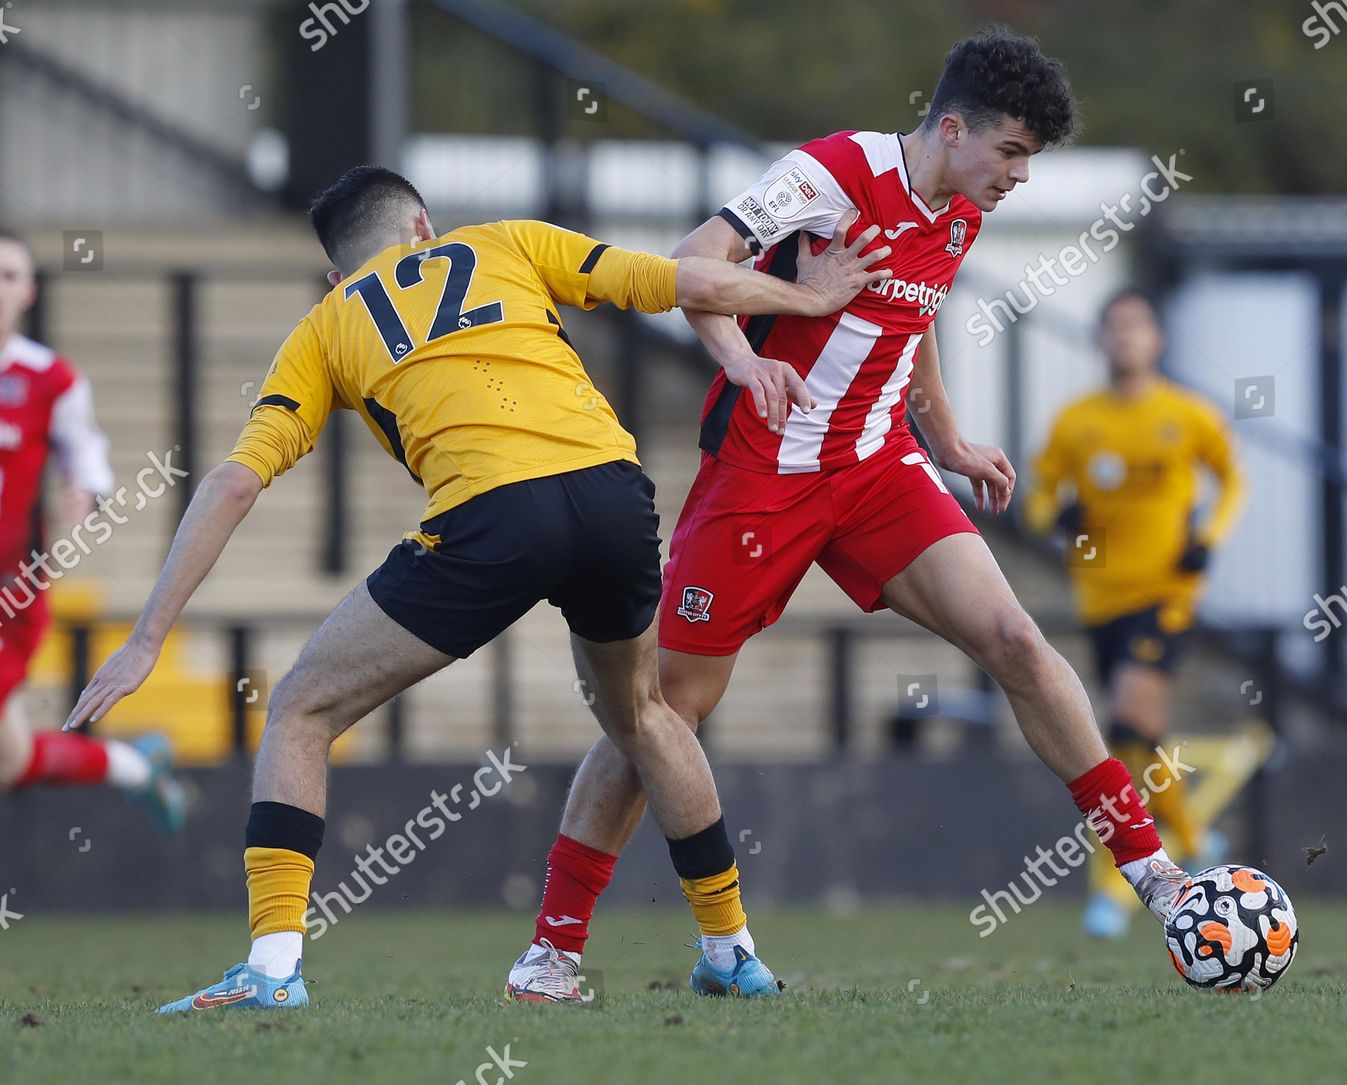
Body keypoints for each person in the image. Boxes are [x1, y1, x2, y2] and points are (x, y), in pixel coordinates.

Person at [64, 166, 890, 1011]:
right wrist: (810, 298)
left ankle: (272, 970)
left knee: (302, 710)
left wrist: (146, 636)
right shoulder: (507, 241)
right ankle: (732, 949)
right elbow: (683, 281)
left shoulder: (325, 325)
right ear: (422, 225)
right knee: (645, 714)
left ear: (335, 272)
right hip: (612, 491)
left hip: (494, 518)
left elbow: (236, 481)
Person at [506, 27, 1194, 1002]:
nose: (1018, 178)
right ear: (952, 127)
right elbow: (691, 262)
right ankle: (553, 946)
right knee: (660, 711)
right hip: (764, 474)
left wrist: (947, 438)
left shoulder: (961, 209)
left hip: (879, 468)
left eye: (1029, 161)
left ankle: (1155, 878)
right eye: (1010, 153)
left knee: (1015, 637)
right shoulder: (832, 172)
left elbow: (911, 320)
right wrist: (747, 354)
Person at [1027, 288, 1245, 938]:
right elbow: (1037, 497)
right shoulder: (1076, 421)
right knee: (1131, 737)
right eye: (1114, 327)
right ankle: (1190, 833)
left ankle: (1119, 885)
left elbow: (1234, 479)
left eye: (1137, 326)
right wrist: (1058, 517)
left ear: (1157, 340)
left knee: (1125, 717)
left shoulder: (1189, 414)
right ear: (1099, 341)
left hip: (1166, 593)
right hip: (1101, 597)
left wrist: (1211, 537)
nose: (1125, 338)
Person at [0, 227, 182, 829]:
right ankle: (135, 767)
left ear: (28, 292)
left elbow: (89, 457)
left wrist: (86, 492)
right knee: (11, 762)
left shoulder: (51, 380)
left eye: (9, 276)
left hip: (12, 595)